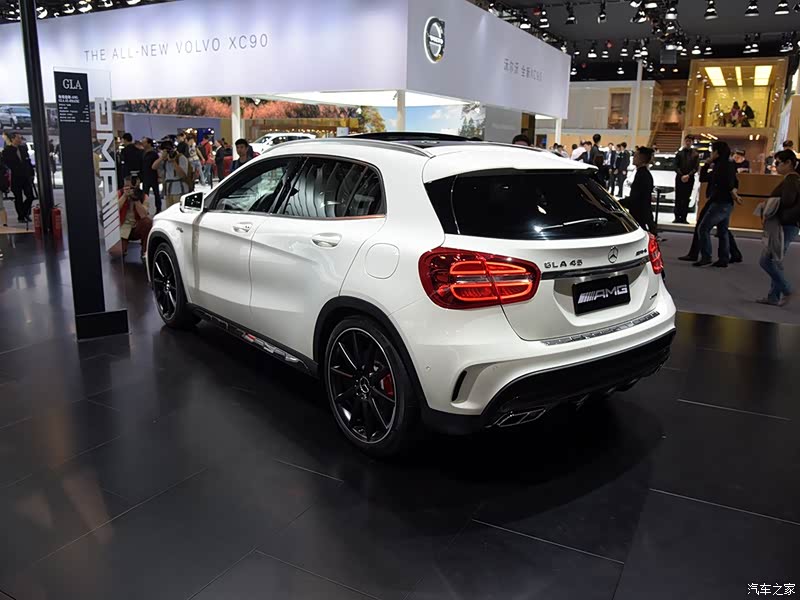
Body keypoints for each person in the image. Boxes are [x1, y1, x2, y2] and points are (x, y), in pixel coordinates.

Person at [756, 150, 800, 306]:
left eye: (778, 163)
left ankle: (787, 289)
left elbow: (787, 200)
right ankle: (774, 296)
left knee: (766, 260)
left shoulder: (791, 179)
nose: (776, 166)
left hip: (785, 224)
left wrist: (771, 205)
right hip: (789, 224)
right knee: (775, 259)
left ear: (788, 163)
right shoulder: (793, 179)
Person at [694, 141, 741, 267]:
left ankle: (706, 256)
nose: (711, 154)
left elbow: (727, 182)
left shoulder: (722, 166)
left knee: (703, 228)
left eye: (712, 151)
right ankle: (723, 258)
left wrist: (706, 165)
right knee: (723, 230)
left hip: (720, 201)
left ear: (717, 152)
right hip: (725, 201)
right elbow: (704, 178)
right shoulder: (725, 164)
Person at [621, 146, 657, 234]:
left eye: (636, 156)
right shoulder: (643, 173)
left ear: (642, 158)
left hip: (639, 213)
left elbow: (636, 197)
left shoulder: (642, 175)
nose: (633, 158)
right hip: (641, 212)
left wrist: (619, 203)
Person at [116, 175, 153, 261]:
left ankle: (145, 252)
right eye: (127, 187)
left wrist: (136, 199)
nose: (130, 190)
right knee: (117, 254)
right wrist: (124, 196)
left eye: (132, 187)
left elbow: (143, 215)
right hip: (122, 228)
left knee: (147, 222)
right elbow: (113, 211)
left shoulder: (143, 196)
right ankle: (123, 248)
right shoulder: (119, 194)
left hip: (136, 227)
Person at [1, 132, 35, 223]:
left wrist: (31, 173)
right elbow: (5, 165)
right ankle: (21, 216)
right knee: (18, 197)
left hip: (25, 176)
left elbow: (28, 162)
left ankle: (25, 212)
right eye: (18, 138)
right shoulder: (7, 151)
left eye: (20, 138)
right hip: (15, 178)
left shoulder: (23, 149)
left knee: (30, 196)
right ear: (12, 139)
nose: (20, 140)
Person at [152, 139, 190, 209]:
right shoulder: (164, 160)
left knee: (178, 211)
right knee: (169, 211)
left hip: (180, 190)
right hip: (168, 191)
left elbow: (183, 175)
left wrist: (173, 161)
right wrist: (162, 158)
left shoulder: (181, 157)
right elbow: (153, 167)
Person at [674, 136, 699, 224]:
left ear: (692, 142)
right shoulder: (679, 153)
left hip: (690, 178)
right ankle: (677, 217)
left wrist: (688, 175)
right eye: (687, 141)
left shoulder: (695, 154)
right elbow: (675, 166)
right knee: (678, 197)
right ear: (684, 142)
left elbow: (696, 168)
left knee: (686, 198)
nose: (688, 143)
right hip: (679, 178)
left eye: (690, 141)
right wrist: (681, 175)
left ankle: (684, 217)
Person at [140, 137, 161, 214]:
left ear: (149, 143)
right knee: (145, 194)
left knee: (156, 194)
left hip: (153, 176)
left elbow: (157, 166)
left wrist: (159, 176)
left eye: (144, 142)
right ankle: (145, 209)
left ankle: (158, 209)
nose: (143, 144)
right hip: (145, 177)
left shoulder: (154, 154)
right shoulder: (143, 153)